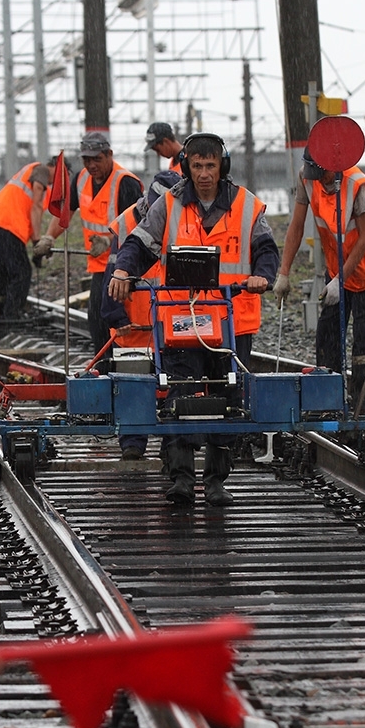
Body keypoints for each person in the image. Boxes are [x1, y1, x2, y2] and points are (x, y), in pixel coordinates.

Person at [109, 133, 279, 507]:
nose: (204, 174)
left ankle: (216, 480)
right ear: (187, 166)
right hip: (180, 319)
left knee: (228, 397)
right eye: (197, 166)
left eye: (211, 166)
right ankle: (181, 479)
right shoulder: (167, 205)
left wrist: (263, 276)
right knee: (179, 396)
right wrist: (123, 273)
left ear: (223, 167)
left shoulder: (247, 206)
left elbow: (266, 248)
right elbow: (139, 244)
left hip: (231, 322)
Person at [273, 144, 365, 411]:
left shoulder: (357, 185)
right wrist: (284, 273)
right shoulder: (307, 177)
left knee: (363, 342)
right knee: (327, 334)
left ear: (333, 168)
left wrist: (341, 280)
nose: (315, 179)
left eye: (320, 174)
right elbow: (296, 226)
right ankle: (329, 399)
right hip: (336, 268)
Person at [33, 131, 143, 353]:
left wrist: (108, 240)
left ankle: (120, 364)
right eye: (87, 160)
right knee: (97, 318)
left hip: (123, 266)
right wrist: (48, 237)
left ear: (109, 154)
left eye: (97, 159)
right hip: (98, 266)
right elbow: (66, 211)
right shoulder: (81, 179)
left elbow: (136, 226)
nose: (91, 165)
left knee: (120, 321)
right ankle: (102, 366)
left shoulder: (126, 183)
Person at [101, 169, 183, 461]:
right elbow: (111, 272)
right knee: (134, 384)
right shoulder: (127, 225)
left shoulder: (183, 218)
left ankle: (172, 445)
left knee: (178, 385)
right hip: (134, 324)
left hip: (171, 323)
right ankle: (133, 441)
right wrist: (115, 316)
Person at [0, 158, 58, 321]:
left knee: (3, 273)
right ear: (55, 167)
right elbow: (36, 207)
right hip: (9, 225)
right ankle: (11, 316)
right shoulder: (42, 171)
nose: (58, 182)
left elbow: (33, 214)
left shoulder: (31, 175)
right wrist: (38, 240)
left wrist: (35, 245)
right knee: (22, 272)